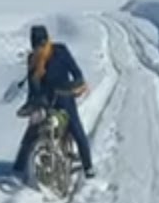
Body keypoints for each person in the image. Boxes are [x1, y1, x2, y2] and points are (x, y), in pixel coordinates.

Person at [12, 24, 96, 179]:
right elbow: (32, 88)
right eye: (36, 46)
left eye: (42, 44)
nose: (40, 49)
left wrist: (74, 84)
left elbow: (77, 73)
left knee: (77, 132)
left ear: (47, 41)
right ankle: (18, 170)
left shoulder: (60, 51)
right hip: (44, 102)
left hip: (65, 99)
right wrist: (31, 106)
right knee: (31, 134)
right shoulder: (32, 60)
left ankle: (88, 168)